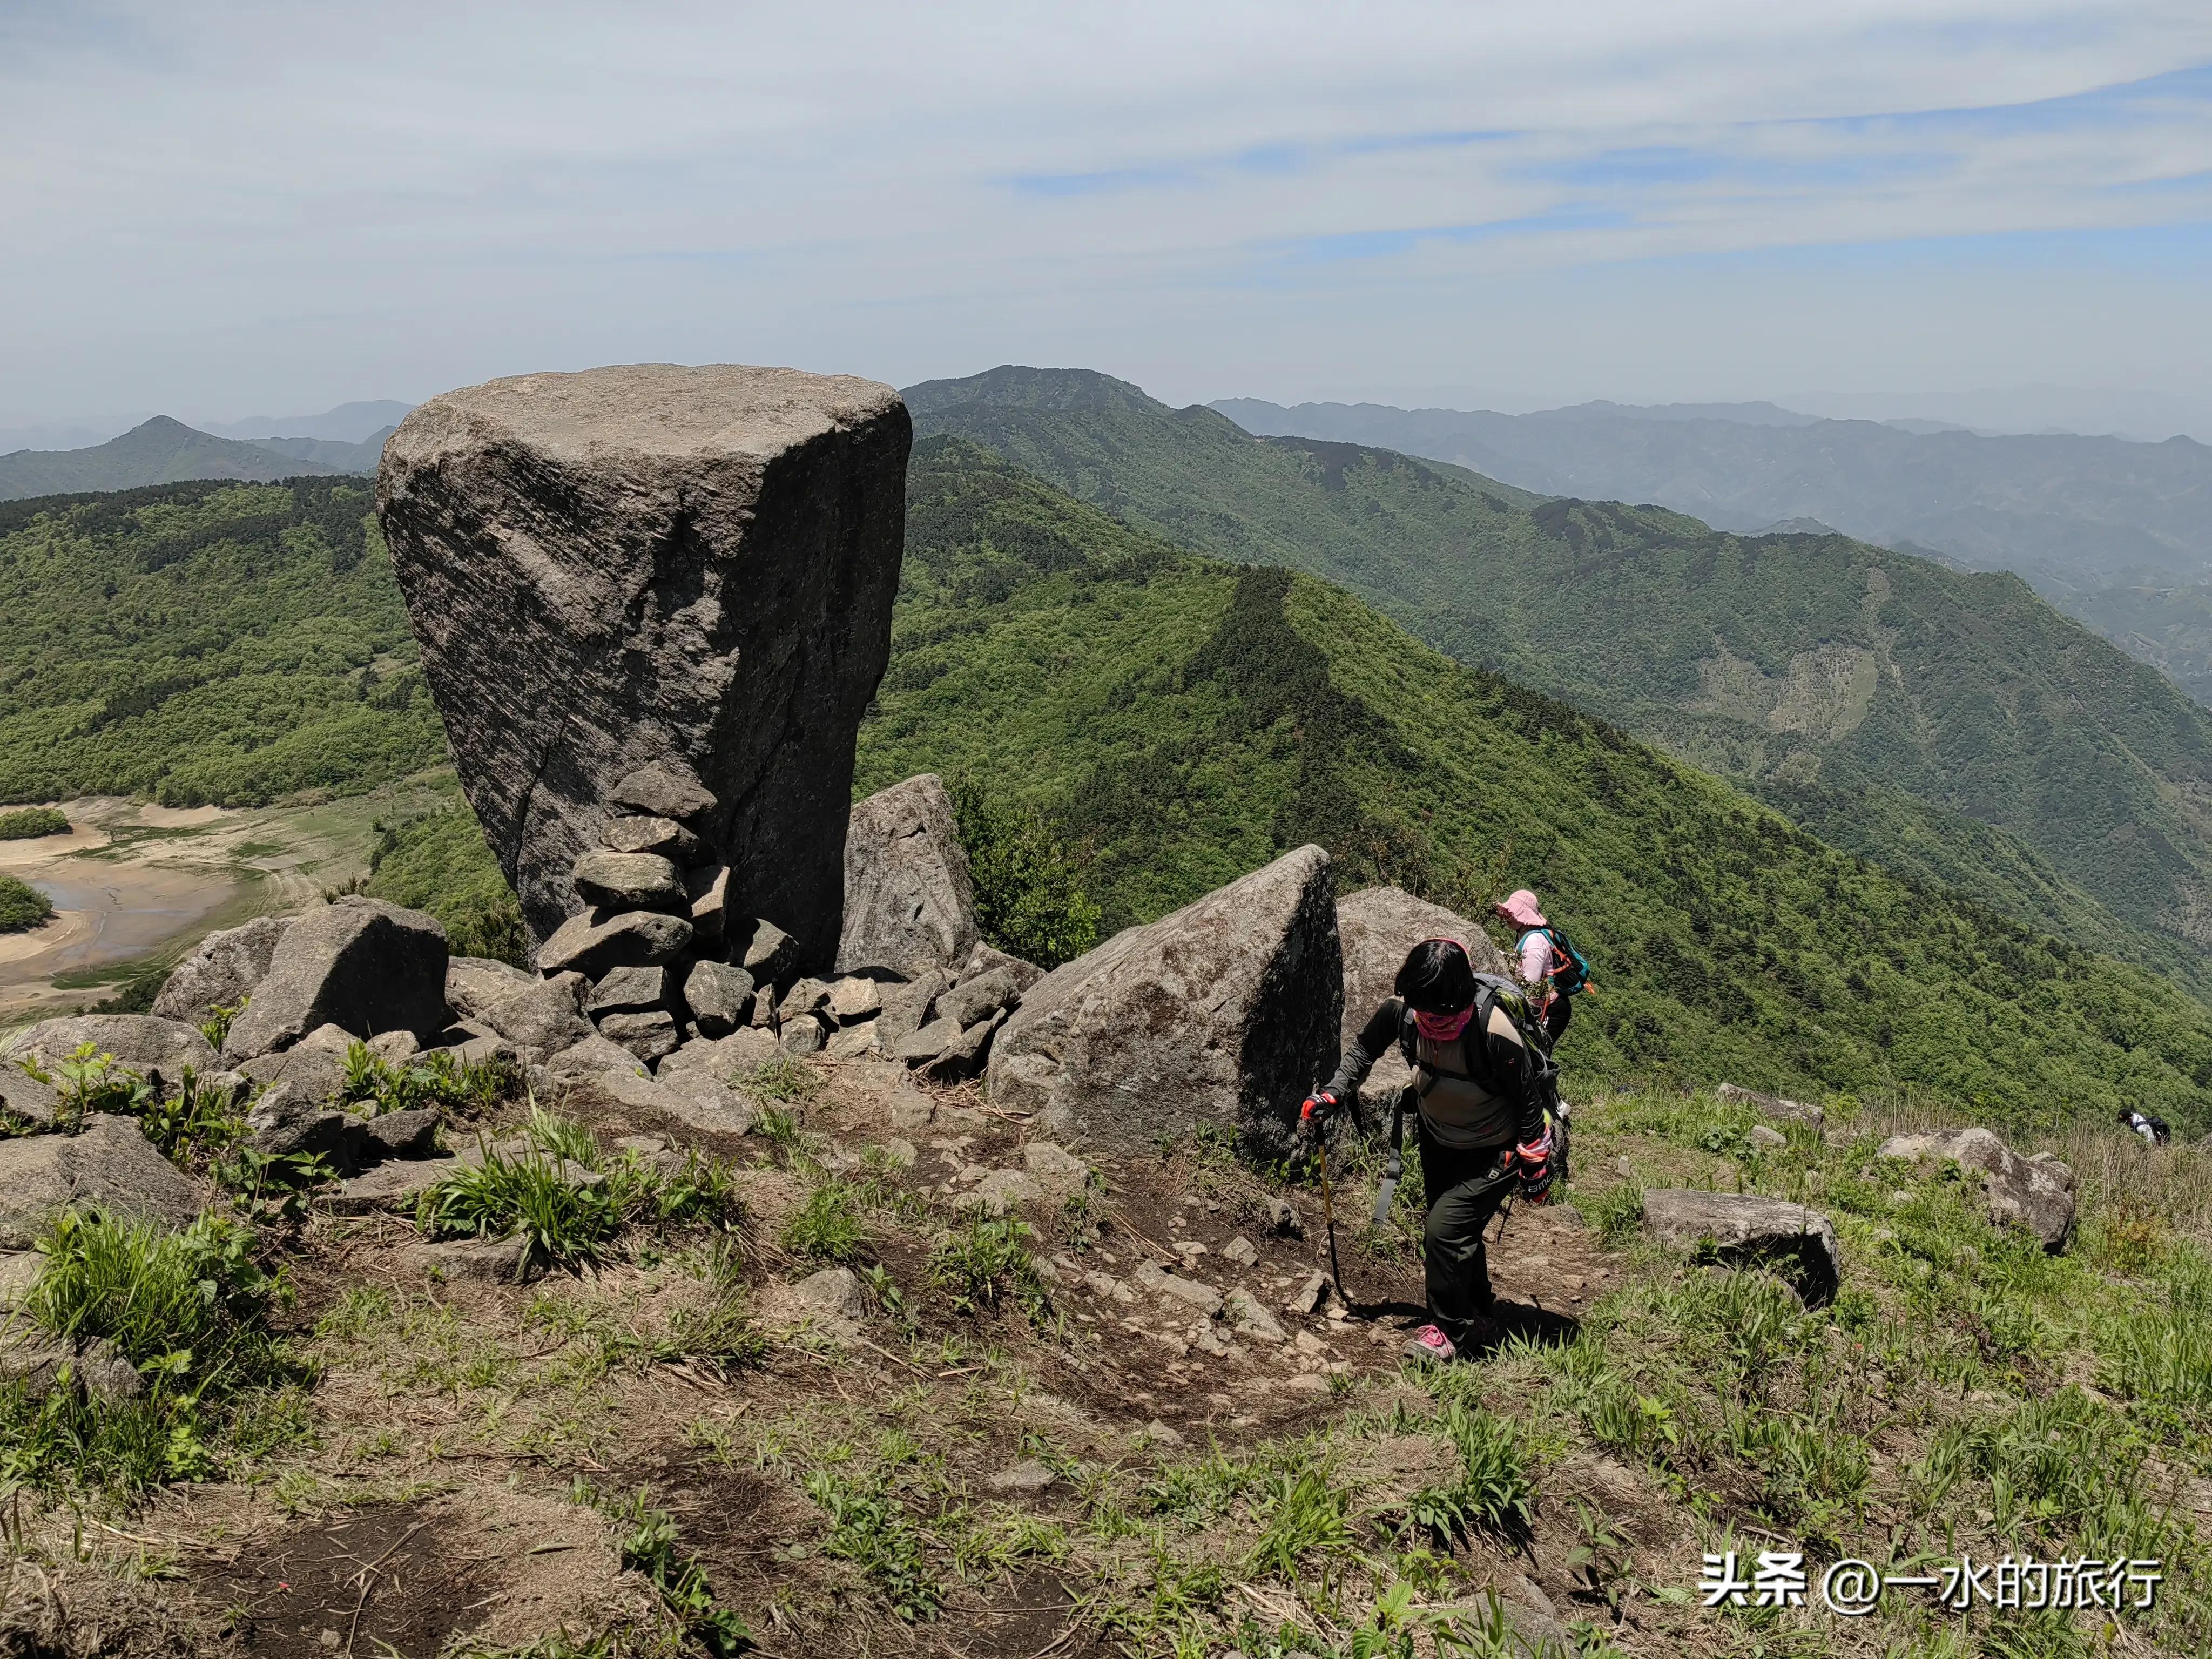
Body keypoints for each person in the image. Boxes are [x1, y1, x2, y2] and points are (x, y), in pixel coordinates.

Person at [1299, 937, 1554, 1365]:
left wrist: (1534, 1163)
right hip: (1438, 1140)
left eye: (1443, 1016)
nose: (1431, 1023)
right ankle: (1479, 1315)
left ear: (1462, 999)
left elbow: (1529, 1100)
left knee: (1444, 1231)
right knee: (1457, 1233)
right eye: (1424, 1012)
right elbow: (1364, 1051)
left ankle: (1449, 1330)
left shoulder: (1493, 1028)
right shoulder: (1403, 1014)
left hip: (1496, 1151)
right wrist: (1333, 1094)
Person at [1495, 888, 1579, 1046]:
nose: (1507, 916)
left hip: (1551, 1008)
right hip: (1539, 1005)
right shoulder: (1523, 935)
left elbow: (1530, 984)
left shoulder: (1534, 941)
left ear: (1524, 916)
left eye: (1512, 913)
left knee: (1536, 1052)